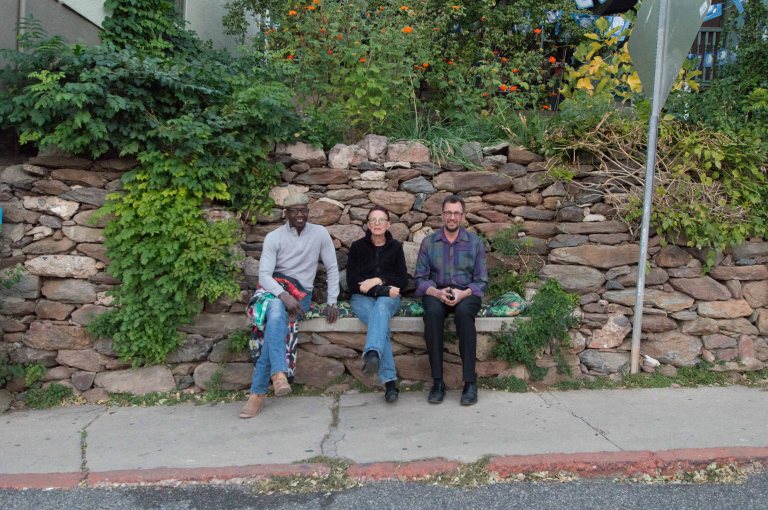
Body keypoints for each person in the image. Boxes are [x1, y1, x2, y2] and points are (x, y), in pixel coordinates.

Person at [240, 193, 340, 418]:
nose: (300, 214)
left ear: (308, 212)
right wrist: (283, 295)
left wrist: (332, 300)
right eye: (294, 210)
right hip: (274, 291)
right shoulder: (274, 237)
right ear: (286, 213)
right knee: (276, 311)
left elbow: (332, 268)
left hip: (301, 294)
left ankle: (258, 394)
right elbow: (264, 275)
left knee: (274, 321)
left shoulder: (320, 234)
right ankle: (278, 375)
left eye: (303, 210)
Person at [414, 194, 488, 406]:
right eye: (448, 212)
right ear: (442, 214)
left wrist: (463, 294)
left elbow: (481, 281)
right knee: (432, 314)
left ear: (463, 216)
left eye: (456, 213)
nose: (452, 217)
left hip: (466, 293)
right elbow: (420, 278)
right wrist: (436, 293)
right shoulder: (429, 243)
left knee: (464, 315)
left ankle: (470, 383)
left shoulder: (475, 243)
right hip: (437, 291)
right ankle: (438, 382)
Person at [346, 206, 408, 403]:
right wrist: (382, 289)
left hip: (389, 299)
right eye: (373, 219)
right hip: (361, 299)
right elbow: (353, 282)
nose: (377, 223)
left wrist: (378, 280)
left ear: (388, 224)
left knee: (381, 308)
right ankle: (390, 384)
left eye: (381, 220)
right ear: (368, 224)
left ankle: (373, 353)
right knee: (380, 325)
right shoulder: (357, 247)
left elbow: (403, 280)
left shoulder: (396, 247)